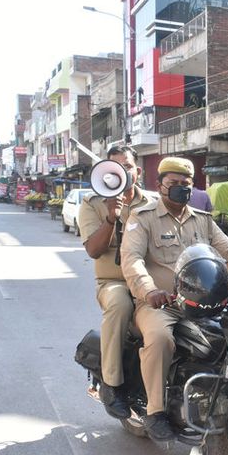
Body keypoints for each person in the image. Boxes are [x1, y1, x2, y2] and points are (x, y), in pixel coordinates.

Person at [120, 157, 228, 442]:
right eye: (174, 184)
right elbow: (131, 260)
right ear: (160, 186)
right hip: (163, 303)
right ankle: (155, 412)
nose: (181, 189)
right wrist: (149, 291)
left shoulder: (202, 220)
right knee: (160, 339)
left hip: (205, 301)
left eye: (186, 184)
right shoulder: (143, 217)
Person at [78, 145, 154, 419]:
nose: (122, 173)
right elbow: (93, 251)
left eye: (128, 167)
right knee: (121, 304)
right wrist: (112, 217)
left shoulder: (153, 203)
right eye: (115, 168)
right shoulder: (93, 204)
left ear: (138, 171)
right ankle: (112, 385)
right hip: (115, 282)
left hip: (151, 282)